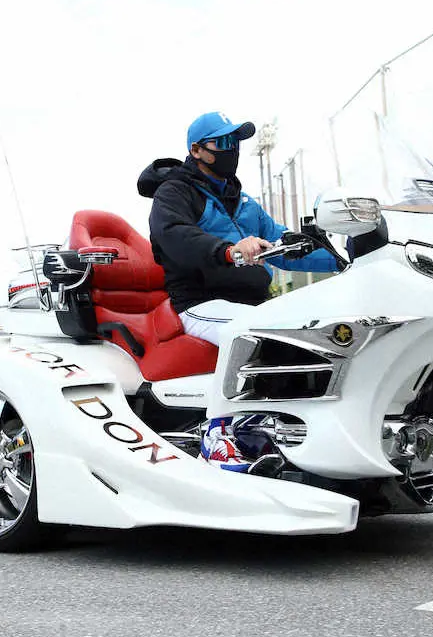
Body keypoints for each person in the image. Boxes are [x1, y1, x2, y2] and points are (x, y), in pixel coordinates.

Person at [139, 112, 338, 471]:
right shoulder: (174, 193)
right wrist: (227, 250)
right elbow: (174, 235)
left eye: (237, 142)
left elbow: (285, 246)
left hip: (255, 303)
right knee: (250, 331)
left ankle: (294, 433)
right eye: (225, 143)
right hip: (200, 302)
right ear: (197, 150)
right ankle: (217, 438)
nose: (234, 150)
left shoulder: (243, 203)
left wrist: (344, 257)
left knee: (315, 333)